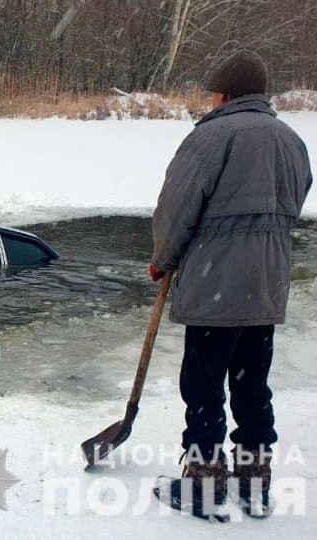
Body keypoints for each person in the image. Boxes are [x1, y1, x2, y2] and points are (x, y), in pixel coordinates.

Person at [149, 50, 312, 520]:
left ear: (226, 93)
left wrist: (163, 259)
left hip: (215, 281)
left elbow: (177, 207)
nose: (211, 100)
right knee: (252, 383)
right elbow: (293, 203)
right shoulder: (291, 140)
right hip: (267, 282)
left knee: (203, 385)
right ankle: (254, 483)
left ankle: (201, 486)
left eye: (214, 92)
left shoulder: (211, 136)